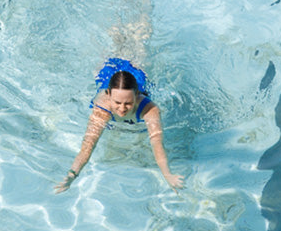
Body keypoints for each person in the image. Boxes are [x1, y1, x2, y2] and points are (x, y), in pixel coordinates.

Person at [54, 58, 184, 193]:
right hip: (107, 74)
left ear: (137, 95)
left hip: (136, 76)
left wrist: (167, 175)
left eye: (128, 103)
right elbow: (88, 146)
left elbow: (157, 143)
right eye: (117, 103)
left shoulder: (149, 109)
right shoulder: (102, 109)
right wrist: (72, 175)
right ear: (108, 94)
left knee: (139, 58)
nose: (122, 109)